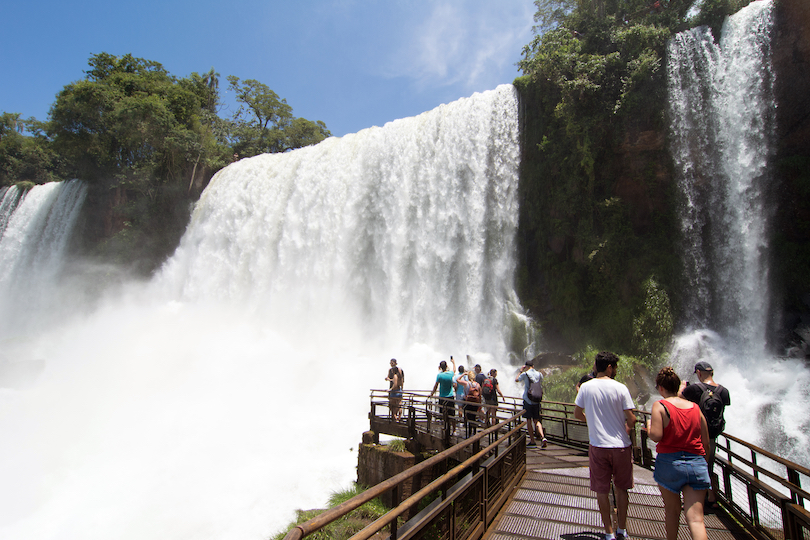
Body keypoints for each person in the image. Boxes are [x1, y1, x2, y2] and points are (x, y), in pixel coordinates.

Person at [574, 351, 636, 540]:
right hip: (620, 446)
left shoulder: (585, 387)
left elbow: (577, 413)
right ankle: (622, 529)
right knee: (621, 488)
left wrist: (591, 422)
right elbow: (632, 418)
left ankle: (608, 532)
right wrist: (626, 428)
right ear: (609, 367)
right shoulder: (620, 388)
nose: (616, 370)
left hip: (598, 446)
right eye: (615, 367)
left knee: (601, 489)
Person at [648, 367, 711, 540]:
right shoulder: (695, 407)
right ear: (678, 387)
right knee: (696, 519)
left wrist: (648, 428)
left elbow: (656, 436)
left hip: (670, 465)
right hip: (696, 464)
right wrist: (703, 462)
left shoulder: (659, 406)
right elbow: (705, 441)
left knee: (672, 511)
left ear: (661, 388)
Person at [679, 360, 730, 511]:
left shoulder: (695, 389)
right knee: (709, 465)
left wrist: (682, 386)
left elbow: (677, 398)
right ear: (712, 373)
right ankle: (712, 498)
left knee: (692, 466)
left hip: (696, 435)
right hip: (713, 436)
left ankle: (694, 500)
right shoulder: (723, 391)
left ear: (699, 373)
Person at [516, 360, 547, 448]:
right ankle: (543, 437)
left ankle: (532, 441)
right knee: (536, 420)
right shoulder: (539, 374)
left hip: (528, 400)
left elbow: (516, 380)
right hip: (536, 400)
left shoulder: (525, 374)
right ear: (533, 366)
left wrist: (520, 371)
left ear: (526, 366)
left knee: (529, 420)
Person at [429, 358, 456, 429]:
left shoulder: (439, 376)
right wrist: (453, 362)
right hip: (450, 396)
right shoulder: (450, 374)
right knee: (452, 414)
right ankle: (454, 430)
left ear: (440, 367)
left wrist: (431, 394)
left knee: (443, 414)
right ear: (447, 366)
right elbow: (454, 370)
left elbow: (435, 386)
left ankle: (446, 427)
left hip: (442, 397)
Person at [457, 370, 482, 437]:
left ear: (468, 377)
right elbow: (480, 395)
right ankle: (474, 433)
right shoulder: (478, 385)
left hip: (468, 403)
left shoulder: (466, 383)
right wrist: (480, 405)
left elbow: (457, 380)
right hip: (475, 404)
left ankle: (469, 434)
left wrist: (463, 374)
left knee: (468, 419)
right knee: (474, 418)